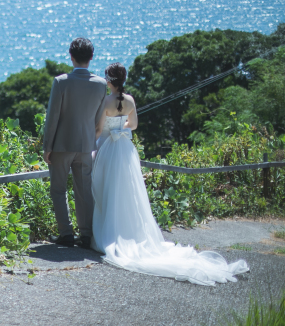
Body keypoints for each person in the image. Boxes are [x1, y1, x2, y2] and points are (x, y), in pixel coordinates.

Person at [91, 62, 249, 285]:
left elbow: (98, 129)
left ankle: (106, 233)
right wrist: (120, 127)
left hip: (108, 148)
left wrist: (95, 139)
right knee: (128, 192)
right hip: (125, 148)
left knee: (107, 189)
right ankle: (127, 232)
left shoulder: (105, 101)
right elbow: (133, 125)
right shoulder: (130, 101)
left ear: (109, 80)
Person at [43, 37, 107, 249]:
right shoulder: (101, 84)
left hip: (61, 145)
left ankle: (66, 233)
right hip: (86, 145)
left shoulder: (61, 82)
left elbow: (52, 117)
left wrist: (47, 147)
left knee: (58, 189)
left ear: (71, 56)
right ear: (91, 57)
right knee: (84, 190)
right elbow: (98, 118)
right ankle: (86, 235)